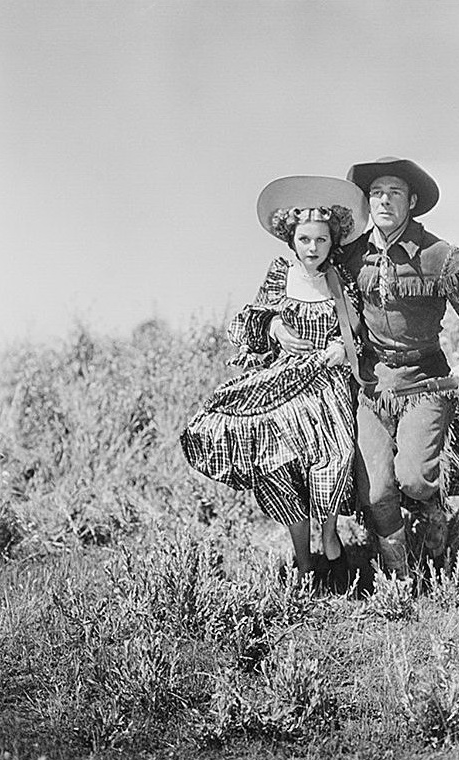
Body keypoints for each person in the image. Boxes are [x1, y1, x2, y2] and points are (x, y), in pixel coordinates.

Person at [269, 157, 459, 576]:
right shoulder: (349, 256)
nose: (383, 200)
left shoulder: (442, 256)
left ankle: (432, 504)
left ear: (412, 201)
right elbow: (302, 276)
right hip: (372, 383)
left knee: (415, 479)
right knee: (377, 489)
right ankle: (400, 578)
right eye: (376, 193)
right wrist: (274, 321)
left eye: (394, 192)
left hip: (427, 381)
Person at [180, 175, 369, 588]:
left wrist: (342, 348)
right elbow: (244, 322)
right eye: (305, 239)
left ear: (332, 241)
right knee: (282, 470)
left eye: (321, 240)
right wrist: (274, 326)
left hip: (329, 389)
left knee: (335, 461)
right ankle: (304, 567)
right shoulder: (279, 275)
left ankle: (331, 540)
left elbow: (360, 332)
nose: (313, 248)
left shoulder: (342, 280)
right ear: (292, 240)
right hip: (284, 385)